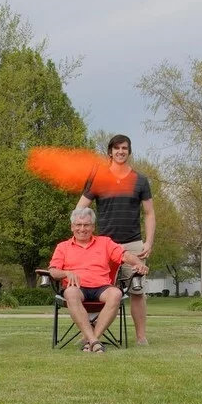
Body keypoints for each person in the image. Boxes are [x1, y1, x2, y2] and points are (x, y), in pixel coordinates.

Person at [76, 134, 154, 344]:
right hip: (103, 247)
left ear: (129, 152)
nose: (121, 151)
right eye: (117, 148)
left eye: (125, 148)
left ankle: (141, 337)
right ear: (110, 152)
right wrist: (86, 237)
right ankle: (90, 336)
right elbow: (79, 209)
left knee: (137, 291)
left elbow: (149, 213)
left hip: (133, 244)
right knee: (98, 291)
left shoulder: (140, 180)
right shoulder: (98, 178)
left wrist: (148, 242)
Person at [46, 206, 147, 352]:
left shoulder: (105, 242)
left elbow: (124, 255)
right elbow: (53, 271)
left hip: (101, 287)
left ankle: (92, 341)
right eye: (78, 225)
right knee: (71, 293)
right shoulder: (63, 247)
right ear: (72, 227)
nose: (82, 229)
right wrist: (66, 273)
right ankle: (94, 341)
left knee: (116, 294)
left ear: (93, 226)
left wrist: (138, 263)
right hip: (77, 287)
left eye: (86, 225)